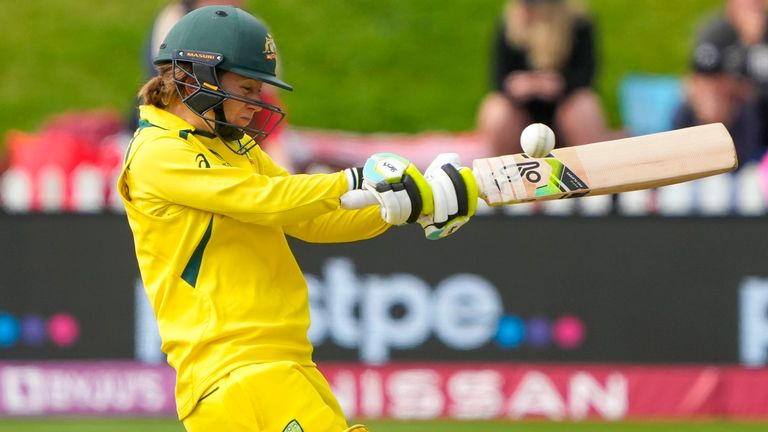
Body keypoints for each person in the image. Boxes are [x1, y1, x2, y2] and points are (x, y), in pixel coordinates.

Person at [117, 6, 476, 432]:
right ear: (197, 76)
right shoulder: (157, 154)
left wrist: (401, 208)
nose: (255, 105)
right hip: (237, 371)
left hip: (282, 362)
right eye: (246, 89)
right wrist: (358, 178)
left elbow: (310, 220)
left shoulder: (232, 147)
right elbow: (270, 200)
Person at [476, 0, 616, 156]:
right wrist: (520, 86)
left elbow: (586, 74)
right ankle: (507, 171)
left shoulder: (578, 22)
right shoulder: (509, 23)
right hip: (521, 111)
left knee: (584, 106)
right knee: (497, 111)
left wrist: (560, 84)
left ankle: (592, 167)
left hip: (565, 103)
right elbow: (498, 78)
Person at [674, 0, 768, 166]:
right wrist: (746, 43)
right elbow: (702, 78)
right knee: (710, 104)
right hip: (736, 113)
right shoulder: (717, 32)